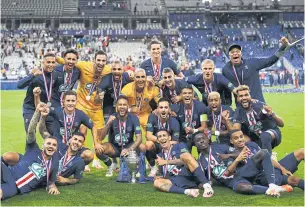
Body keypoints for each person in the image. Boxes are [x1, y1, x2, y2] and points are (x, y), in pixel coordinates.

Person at [56, 50, 112, 170]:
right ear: (94, 60)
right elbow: (65, 60)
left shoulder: (109, 69)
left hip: (97, 107)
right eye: (99, 60)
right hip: (81, 104)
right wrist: (48, 62)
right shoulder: (83, 65)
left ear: (106, 62)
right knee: (82, 130)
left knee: (99, 135)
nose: (101, 63)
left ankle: (96, 159)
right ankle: (81, 158)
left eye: (103, 61)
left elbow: (121, 71)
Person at [193, 131, 287, 197]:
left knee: (263, 152)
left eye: (203, 138)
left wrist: (228, 155)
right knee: (242, 188)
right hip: (232, 182)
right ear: (195, 144)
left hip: (240, 172)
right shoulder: (199, 162)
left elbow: (239, 153)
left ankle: (272, 185)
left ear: (208, 139)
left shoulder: (220, 147)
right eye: (198, 140)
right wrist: (204, 184)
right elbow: (204, 180)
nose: (201, 141)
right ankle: (270, 190)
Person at [1, 103, 60, 200]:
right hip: (8, 173)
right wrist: (37, 111)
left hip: (14, 187)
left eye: (54, 145)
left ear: (56, 149)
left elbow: (51, 182)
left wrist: (53, 186)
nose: (51, 146)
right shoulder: (33, 149)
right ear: (43, 145)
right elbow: (31, 131)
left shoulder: (53, 164)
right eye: (48, 143)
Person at [227, 130, 304, 195]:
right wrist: (237, 160)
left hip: (273, 168)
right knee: (294, 180)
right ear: (231, 141)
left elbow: (267, 158)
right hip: (263, 176)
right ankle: (276, 187)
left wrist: (282, 168)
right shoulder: (230, 154)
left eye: (241, 136)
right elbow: (230, 172)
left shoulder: (252, 145)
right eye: (236, 138)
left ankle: (277, 186)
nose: (240, 140)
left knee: (302, 152)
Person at [222, 37, 290, 103]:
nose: (235, 53)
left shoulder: (252, 63)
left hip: (258, 104)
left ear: (241, 54)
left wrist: (282, 48)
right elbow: (226, 90)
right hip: (241, 107)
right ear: (229, 55)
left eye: (237, 51)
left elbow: (270, 60)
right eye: (232, 52)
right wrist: (227, 108)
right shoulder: (226, 70)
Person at [37, 90, 95, 166]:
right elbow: (41, 109)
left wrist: (96, 143)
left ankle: (74, 168)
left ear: (76, 101)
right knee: (48, 163)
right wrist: (37, 98)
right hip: (58, 147)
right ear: (63, 101)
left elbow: (93, 126)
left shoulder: (80, 114)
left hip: (73, 146)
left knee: (89, 155)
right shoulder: (57, 111)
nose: (70, 103)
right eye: (68, 100)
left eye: (73, 101)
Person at [94, 95, 146, 178]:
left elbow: (139, 138)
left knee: (142, 146)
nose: (122, 107)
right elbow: (101, 137)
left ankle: (138, 168)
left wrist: (129, 149)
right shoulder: (112, 117)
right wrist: (108, 124)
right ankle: (110, 165)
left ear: (128, 106)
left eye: (124, 105)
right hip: (114, 148)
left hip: (128, 146)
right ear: (116, 106)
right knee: (98, 150)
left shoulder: (134, 118)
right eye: (120, 105)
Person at [153, 130, 214, 198]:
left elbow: (185, 160)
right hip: (176, 180)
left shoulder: (179, 146)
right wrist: (158, 175)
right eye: (160, 136)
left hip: (190, 176)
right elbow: (166, 173)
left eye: (164, 135)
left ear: (169, 138)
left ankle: (207, 186)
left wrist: (166, 162)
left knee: (185, 156)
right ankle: (188, 191)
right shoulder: (159, 156)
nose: (162, 138)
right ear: (158, 141)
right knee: (156, 182)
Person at [231, 85, 284, 153]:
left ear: (250, 96)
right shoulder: (237, 113)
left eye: (246, 95)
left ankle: (268, 161)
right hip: (257, 140)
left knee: (264, 136)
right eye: (241, 96)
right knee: (244, 143)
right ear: (237, 99)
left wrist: (272, 114)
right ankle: (269, 158)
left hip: (273, 134)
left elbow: (282, 124)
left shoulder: (260, 105)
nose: (244, 98)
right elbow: (236, 131)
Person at [17, 53, 59, 132]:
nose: (51, 64)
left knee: (54, 135)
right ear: (43, 63)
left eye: (53, 62)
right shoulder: (36, 73)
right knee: (30, 134)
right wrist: (32, 75)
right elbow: (19, 85)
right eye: (48, 62)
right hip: (31, 108)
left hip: (46, 108)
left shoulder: (56, 75)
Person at [146, 98, 180, 177]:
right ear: (157, 109)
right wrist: (161, 141)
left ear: (169, 109)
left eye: (166, 107)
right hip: (157, 144)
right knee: (148, 144)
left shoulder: (174, 121)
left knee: (175, 147)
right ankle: (153, 167)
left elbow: (175, 141)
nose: (163, 110)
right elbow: (148, 136)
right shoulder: (152, 117)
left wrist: (165, 143)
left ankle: (170, 166)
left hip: (169, 146)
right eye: (161, 107)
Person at [171, 85, 208, 151]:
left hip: (197, 134)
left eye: (189, 93)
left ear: (193, 94)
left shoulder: (201, 107)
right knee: (184, 155)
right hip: (182, 137)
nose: (187, 95)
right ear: (180, 95)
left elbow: (204, 127)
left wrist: (193, 130)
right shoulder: (175, 108)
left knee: (203, 142)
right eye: (184, 93)